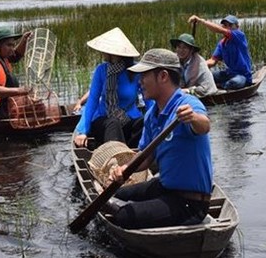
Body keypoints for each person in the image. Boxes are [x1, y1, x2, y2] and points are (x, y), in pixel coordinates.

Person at [106, 48, 212, 229]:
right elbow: (145, 157)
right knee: (115, 194)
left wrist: (193, 117)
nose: (140, 82)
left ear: (163, 76)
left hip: (189, 202)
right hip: (165, 188)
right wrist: (123, 169)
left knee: (124, 216)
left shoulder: (188, 104)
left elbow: (204, 126)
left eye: (144, 76)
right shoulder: (151, 114)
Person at [73, 27, 148, 149]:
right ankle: (115, 157)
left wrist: (156, 122)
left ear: (113, 53)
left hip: (129, 118)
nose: (102, 53)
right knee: (113, 122)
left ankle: (135, 155)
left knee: (144, 122)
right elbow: (92, 100)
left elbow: (149, 98)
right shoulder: (102, 70)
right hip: (104, 121)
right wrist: (83, 131)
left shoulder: (135, 71)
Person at [187, 14, 252, 90]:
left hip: (243, 76)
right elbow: (212, 61)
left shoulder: (239, 35)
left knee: (234, 83)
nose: (227, 27)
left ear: (237, 27)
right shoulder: (222, 44)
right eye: (225, 25)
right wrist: (197, 65)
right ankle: (220, 85)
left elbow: (220, 30)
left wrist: (201, 21)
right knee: (206, 77)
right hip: (229, 74)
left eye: (230, 25)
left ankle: (221, 86)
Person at [169, 33, 218, 97]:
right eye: (179, 47)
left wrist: (188, 90)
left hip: (200, 94)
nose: (181, 50)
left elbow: (208, 89)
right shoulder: (175, 60)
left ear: (191, 50)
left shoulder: (200, 64)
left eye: (184, 48)